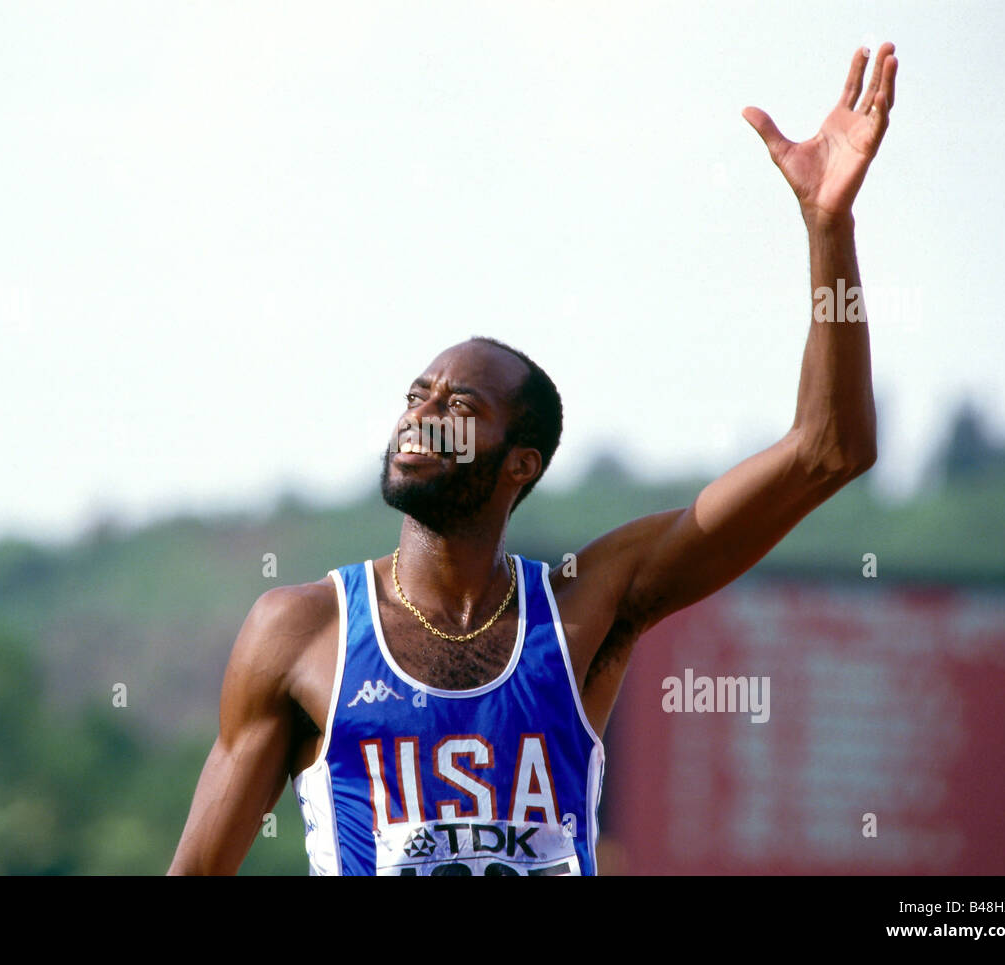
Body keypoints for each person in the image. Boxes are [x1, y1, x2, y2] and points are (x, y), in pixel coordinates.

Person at [168, 43, 898, 875]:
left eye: (459, 407)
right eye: (416, 395)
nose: (423, 416)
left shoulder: (586, 604)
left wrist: (828, 230)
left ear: (521, 463)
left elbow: (829, 450)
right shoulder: (302, 629)